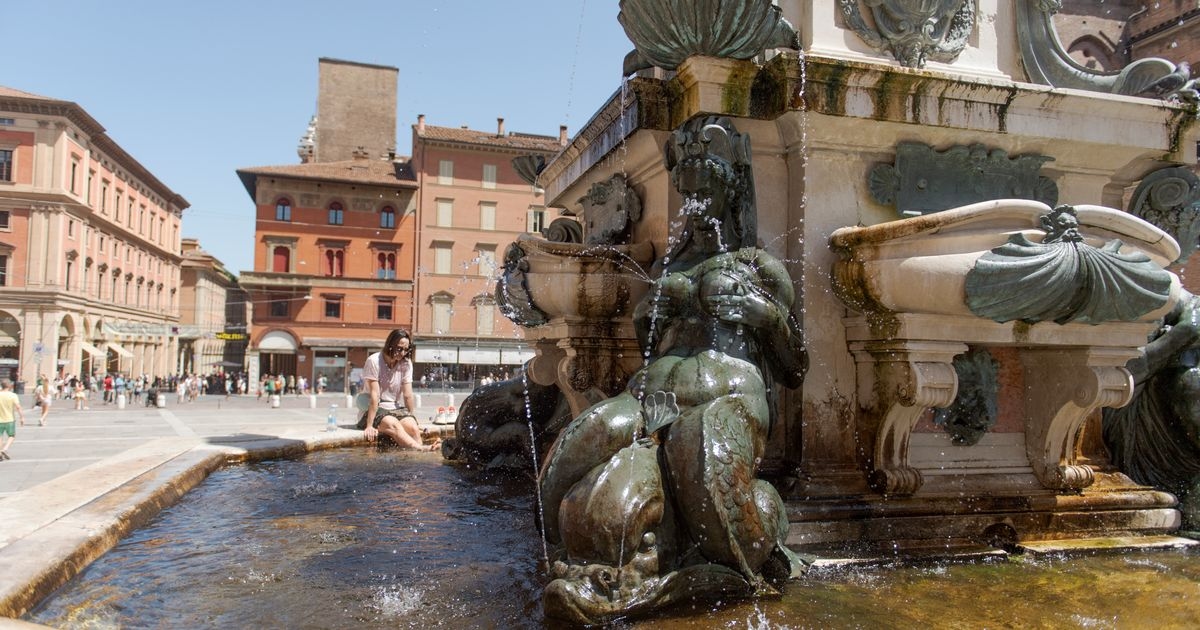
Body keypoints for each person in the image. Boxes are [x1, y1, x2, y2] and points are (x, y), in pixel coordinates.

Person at [537, 117, 808, 619]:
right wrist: (650, 313)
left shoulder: (757, 264)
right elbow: (650, 343)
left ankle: (741, 538)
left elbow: (794, 367)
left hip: (724, 405)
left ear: (731, 195)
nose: (697, 206)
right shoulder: (669, 267)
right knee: (592, 430)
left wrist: (764, 315)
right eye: (690, 195)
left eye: (707, 194)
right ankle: (579, 554)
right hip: (653, 403)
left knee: (697, 442)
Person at [358, 328, 439, 451]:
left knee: (413, 428)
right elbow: (375, 395)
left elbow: (408, 395)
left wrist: (413, 419)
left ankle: (418, 459)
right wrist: (369, 426)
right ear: (390, 344)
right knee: (394, 424)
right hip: (373, 410)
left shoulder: (406, 363)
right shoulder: (374, 361)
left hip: (395, 409)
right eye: (399, 348)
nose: (402, 353)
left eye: (406, 349)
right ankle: (421, 449)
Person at [0, 379, 25, 461]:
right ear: (9, 386)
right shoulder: (13, 395)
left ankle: (0, 452)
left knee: (0, 436)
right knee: (11, 436)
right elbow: (18, 407)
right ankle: (5, 449)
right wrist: (22, 417)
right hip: (10, 419)